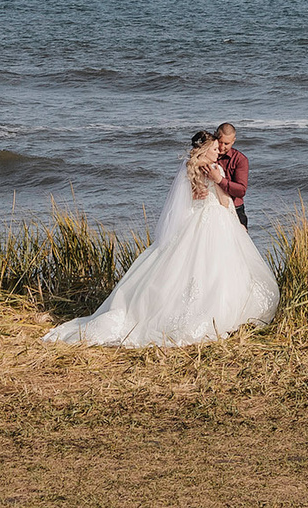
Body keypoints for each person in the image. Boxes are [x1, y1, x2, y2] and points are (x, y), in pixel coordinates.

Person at [42, 129, 278, 348]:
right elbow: (225, 202)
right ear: (205, 150)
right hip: (213, 223)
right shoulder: (214, 171)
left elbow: (188, 205)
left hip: (199, 224)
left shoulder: (193, 170)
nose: (219, 152)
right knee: (212, 270)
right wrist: (218, 181)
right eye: (215, 148)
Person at [214, 121, 250, 228]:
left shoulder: (240, 160)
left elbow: (241, 190)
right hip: (212, 207)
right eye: (220, 142)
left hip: (235, 208)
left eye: (226, 144)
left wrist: (219, 180)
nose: (221, 147)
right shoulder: (208, 155)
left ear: (233, 141)